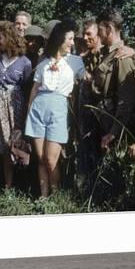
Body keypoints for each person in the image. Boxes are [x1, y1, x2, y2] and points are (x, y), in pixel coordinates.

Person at [25, 20, 85, 197]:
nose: (72, 43)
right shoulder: (43, 61)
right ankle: (44, 197)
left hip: (59, 108)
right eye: (70, 39)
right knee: (42, 159)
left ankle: (56, 195)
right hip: (38, 109)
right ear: (60, 39)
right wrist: (29, 110)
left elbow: (87, 78)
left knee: (51, 159)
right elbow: (35, 88)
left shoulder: (76, 61)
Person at [0, 21, 32, 209]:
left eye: (2, 37)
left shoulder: (25, 62)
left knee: (9, 149)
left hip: (14, 107)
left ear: (11, 39)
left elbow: (27, 87)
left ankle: (9, 191)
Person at [93, 7, 135, 149]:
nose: (98, 34)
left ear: (108, 28)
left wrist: (114, 132)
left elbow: (126, 101)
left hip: (112, 131)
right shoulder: (107, 55)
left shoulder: (122, 57)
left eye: (100, 29)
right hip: (102, 122)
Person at [76, 18, 104, 190]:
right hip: (83, 115)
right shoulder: (84, 58)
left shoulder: (107, 57)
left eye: (89, 34)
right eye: (84, 34)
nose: (85, 38)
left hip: (101, 116)